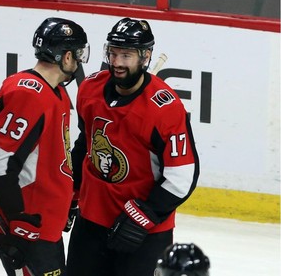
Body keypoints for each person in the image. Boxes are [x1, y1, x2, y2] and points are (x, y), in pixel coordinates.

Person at [66, 17, 199, 276]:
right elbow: (86, 145)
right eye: (113, 53)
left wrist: (143, 216)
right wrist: (70, 194)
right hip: (91, 223)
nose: (116, 63)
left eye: (126, 55)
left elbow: (182, 175)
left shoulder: (165, 109)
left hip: (143, 234)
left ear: (145, 56)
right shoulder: (90, 89)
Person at [0, 17, 89, 276]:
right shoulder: (30, 95)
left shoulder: (55, 92)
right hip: (26, 223)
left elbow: (52, 158)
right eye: (78, 54)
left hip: (42, 219)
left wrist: (65, 202)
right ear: (66, 57)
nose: (80, 61)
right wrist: (18, 216)